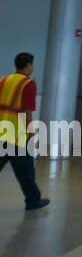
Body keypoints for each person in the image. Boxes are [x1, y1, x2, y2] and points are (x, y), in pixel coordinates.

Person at [0, 52, 48, 210]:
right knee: (26, 170)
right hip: (17, 135)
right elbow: (26, 111)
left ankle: (33, 198)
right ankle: (33, 200)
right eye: (32, 64)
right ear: (28, 65)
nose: (33, 67)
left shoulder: (3, 80)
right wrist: (31, 132)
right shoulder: (28, 83)